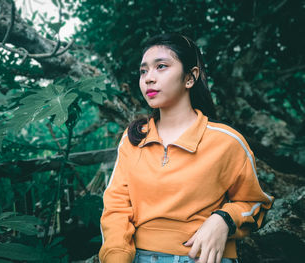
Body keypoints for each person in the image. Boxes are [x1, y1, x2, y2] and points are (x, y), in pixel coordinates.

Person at [99, 33, 274, 263]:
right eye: (143, 71)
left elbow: (256, 203)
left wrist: (225, 219)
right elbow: (116, 209)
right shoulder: (133, 140)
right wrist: (116, 258)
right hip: (138, 257)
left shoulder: (227, 142)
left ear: (190, 77)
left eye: (161, 66)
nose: (149, 78)